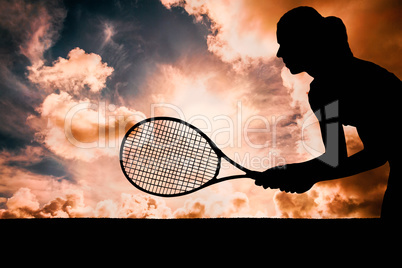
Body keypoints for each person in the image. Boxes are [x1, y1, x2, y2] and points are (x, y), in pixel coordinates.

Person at [254, 6, 401, 219]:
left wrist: (301, 173)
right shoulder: (329, 89)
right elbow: (359, 156)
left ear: (305, 41)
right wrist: (303, 174)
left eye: (284, 43)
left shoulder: (332, 89)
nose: (279, 53)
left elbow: (372, 155)